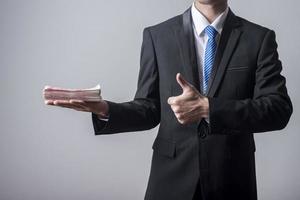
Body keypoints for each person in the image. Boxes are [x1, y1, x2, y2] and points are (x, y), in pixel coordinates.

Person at [45, 0, 293, 199]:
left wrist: (208, 108)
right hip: (171, 180)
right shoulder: (157, 36)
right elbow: (149, 108)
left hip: (232, 178)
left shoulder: (259, 38)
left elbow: (278, 108)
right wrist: (105, 109)